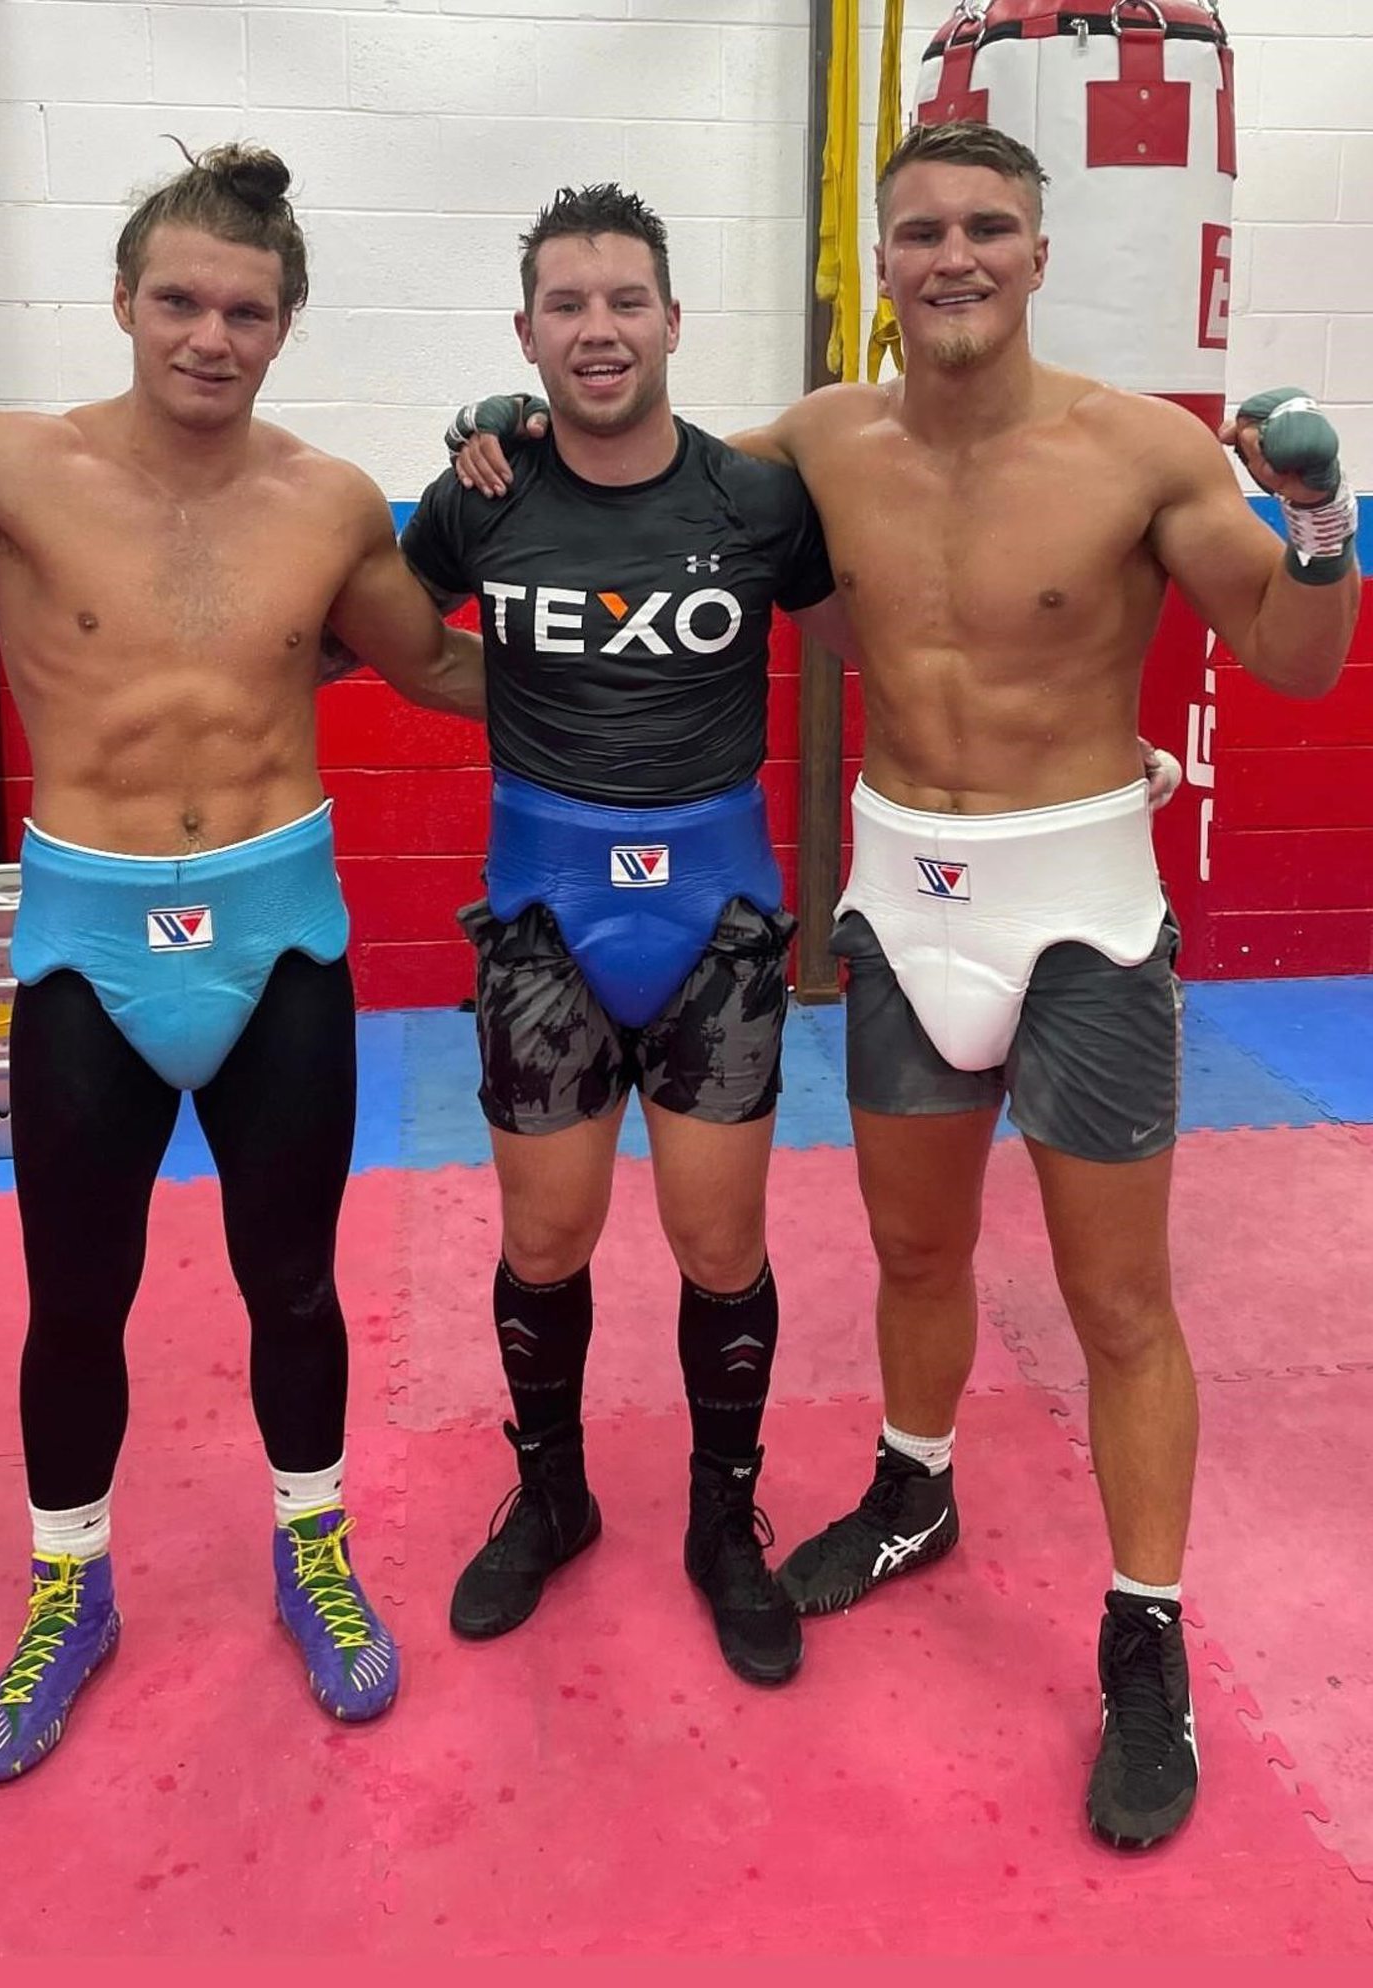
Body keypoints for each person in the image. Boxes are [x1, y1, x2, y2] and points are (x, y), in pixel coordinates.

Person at [448, 123, 1359, 1849]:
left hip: (1080, 903)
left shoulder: (1141, 453)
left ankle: (1144, 1632)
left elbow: (1299, 669)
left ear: (1035, 248)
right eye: (922, 229)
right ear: (883, 257)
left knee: (1119, 1306)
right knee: (916, 1251)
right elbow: (632, 457)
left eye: (987, 228)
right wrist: (503, 450)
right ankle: (915, 1488)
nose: (954, 255)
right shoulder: (807, 451)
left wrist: (1316, 523)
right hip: (898, 899)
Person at [0, 143, 484, 1782]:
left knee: (296, 1278)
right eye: (177, 299)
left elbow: (439, 668)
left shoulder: (323, 498)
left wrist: (641, 665)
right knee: (73, 1297)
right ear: (119, 301)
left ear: (288, 324)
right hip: (88, 944)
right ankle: (69, 1589)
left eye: (245, 310)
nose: (208, 335)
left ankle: (311, 1551)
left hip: (281, 933)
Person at [404, 184, 844, 1689]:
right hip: (543, 916)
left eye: (625, 301)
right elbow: (384, 638)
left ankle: (726, 1525)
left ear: (671, 319)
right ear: (525, 330)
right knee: (545, 1238)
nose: (599, 329)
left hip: (713, 918)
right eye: (567, 305)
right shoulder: (480, 499)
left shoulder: (758, 502)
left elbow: (881, 644)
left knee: (722, 1244)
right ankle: (555, 1495)